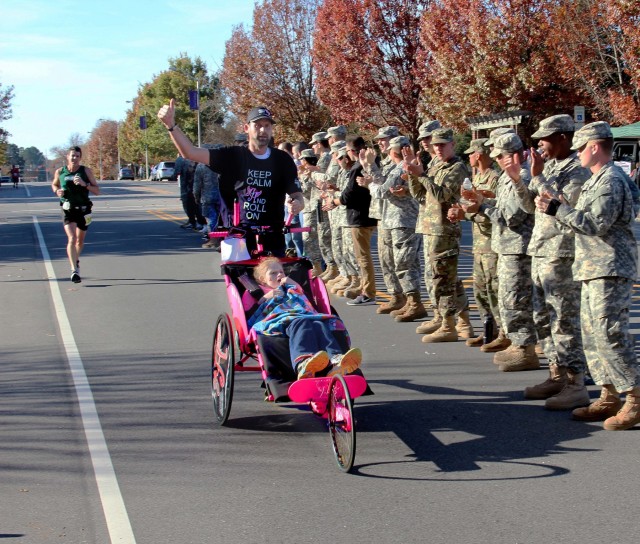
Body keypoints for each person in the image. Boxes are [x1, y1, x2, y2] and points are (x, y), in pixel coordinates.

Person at [536, 121, 640, 430]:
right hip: (593, 267)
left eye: (581, 148)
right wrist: (564, 208)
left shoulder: (609, 180)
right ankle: (609, 394)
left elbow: (596, 224)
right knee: (593, 337)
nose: (578, 153)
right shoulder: (599, 179)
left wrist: (558, 210)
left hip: (609, 268)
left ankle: (634, 397)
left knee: (610, 334)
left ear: (594, 147)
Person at [512, 114, 591, 410]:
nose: (540, 144)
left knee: (564, 320)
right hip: (542, 250)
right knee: (543, 318)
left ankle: (576, 383)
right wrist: (530, 177)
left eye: (545, 138)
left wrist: (539, 177)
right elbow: (529, 207)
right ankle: (556, 374)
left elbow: (565, 207)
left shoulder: (577, 170)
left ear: (562, 138)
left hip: (563, 254)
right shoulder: (551, 166)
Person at [157, 101, 304, 256]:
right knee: (241, 280)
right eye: (258, 125)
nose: (263, 130)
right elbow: (190, 152)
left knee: (275, 279)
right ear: (247, 128)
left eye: (267, 126)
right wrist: (171, 125)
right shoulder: (233, 155)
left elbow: (297, 196)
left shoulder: (282, 160)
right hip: (239, 236)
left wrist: (297, 204)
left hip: (273, 237)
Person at [461, 133, 539, 370]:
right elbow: (502, 207)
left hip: (518, 247)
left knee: (517, 299)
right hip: (505, 245)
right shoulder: (508, 177)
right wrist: (482, 201)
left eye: (501, 156)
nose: (496, 160)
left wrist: (481, 207)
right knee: (508, 298)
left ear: (514, 155)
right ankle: (518, 343)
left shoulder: (521, 176)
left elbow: (512, 217)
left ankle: (525, 349)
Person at [404, 128, 472, 341]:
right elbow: (421, 196)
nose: (439, 148)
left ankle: (448, 324)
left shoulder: (457, 168)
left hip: (445, 229)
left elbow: (442, 195)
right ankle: (461, 320)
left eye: (443, 144)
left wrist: (422, 175)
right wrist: (412, 175)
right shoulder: (435, 165)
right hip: (430, 227)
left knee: (442, 278)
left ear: (452, 144)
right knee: (445, 277)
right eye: (435, 145)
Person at [247, 257, 363, 379]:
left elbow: (301, 295)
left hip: (304, 315)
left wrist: (291, 282)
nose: (279, 274)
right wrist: (267, 297)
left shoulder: (291, 287)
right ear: (262, 280)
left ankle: (336, 359)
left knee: (319, 324)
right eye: (273, 273)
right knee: (300, 322)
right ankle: (302, 363)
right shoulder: (262, 292)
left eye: (281, 271)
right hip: (281, 319)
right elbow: (258, 311)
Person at [359, 135, 424, 321]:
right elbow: (381, 183)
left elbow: (380, 190)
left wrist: (370, 179)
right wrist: (370, 170)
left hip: (403, 220)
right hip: (390, 219)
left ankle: (414, 302)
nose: (383, 147)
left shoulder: (402, 167)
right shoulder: (394, 167)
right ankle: (400, 297)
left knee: (405, 263)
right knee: (390, 261)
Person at [448, 138, 500, 347]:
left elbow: (494, 211)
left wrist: (466, 213)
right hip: (479, 241)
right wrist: (461, 212)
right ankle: (489, 330)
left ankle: (501, 333)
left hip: (491, 240)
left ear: (478, 154)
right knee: (480, 290)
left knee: (494, 289)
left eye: (471, 153)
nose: (469, 156)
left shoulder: (494, 178)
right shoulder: (476, 177)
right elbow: (471, 206)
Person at [51, 146, 100, 283]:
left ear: (80, 158)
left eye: (77, 156)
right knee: (72, 239)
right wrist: (57, 191)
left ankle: (75, 260)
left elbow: (97, 190)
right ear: (67, 156)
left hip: (84, 209)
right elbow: (54, 184)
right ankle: (74, 270)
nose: (74, 158)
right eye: (72, 155)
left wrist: (85, 185)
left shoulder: (86, 171)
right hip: (68, 208)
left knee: (80, 240)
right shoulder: (60, 172)